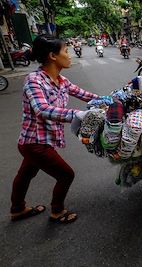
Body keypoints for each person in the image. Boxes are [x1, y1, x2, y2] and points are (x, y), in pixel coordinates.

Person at [10, 35, 99, 224]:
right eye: (66, 51)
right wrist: (77, 115)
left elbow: (84, 94)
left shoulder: (61, 80)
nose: (70, 55)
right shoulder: (34, 80)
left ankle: (17, 209)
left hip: (38, 142)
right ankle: (57, 211)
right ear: (52, 56)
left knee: (25, 174)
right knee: (66, 174)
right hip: (35, 143)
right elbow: (41, 110)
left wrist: (108, 100)